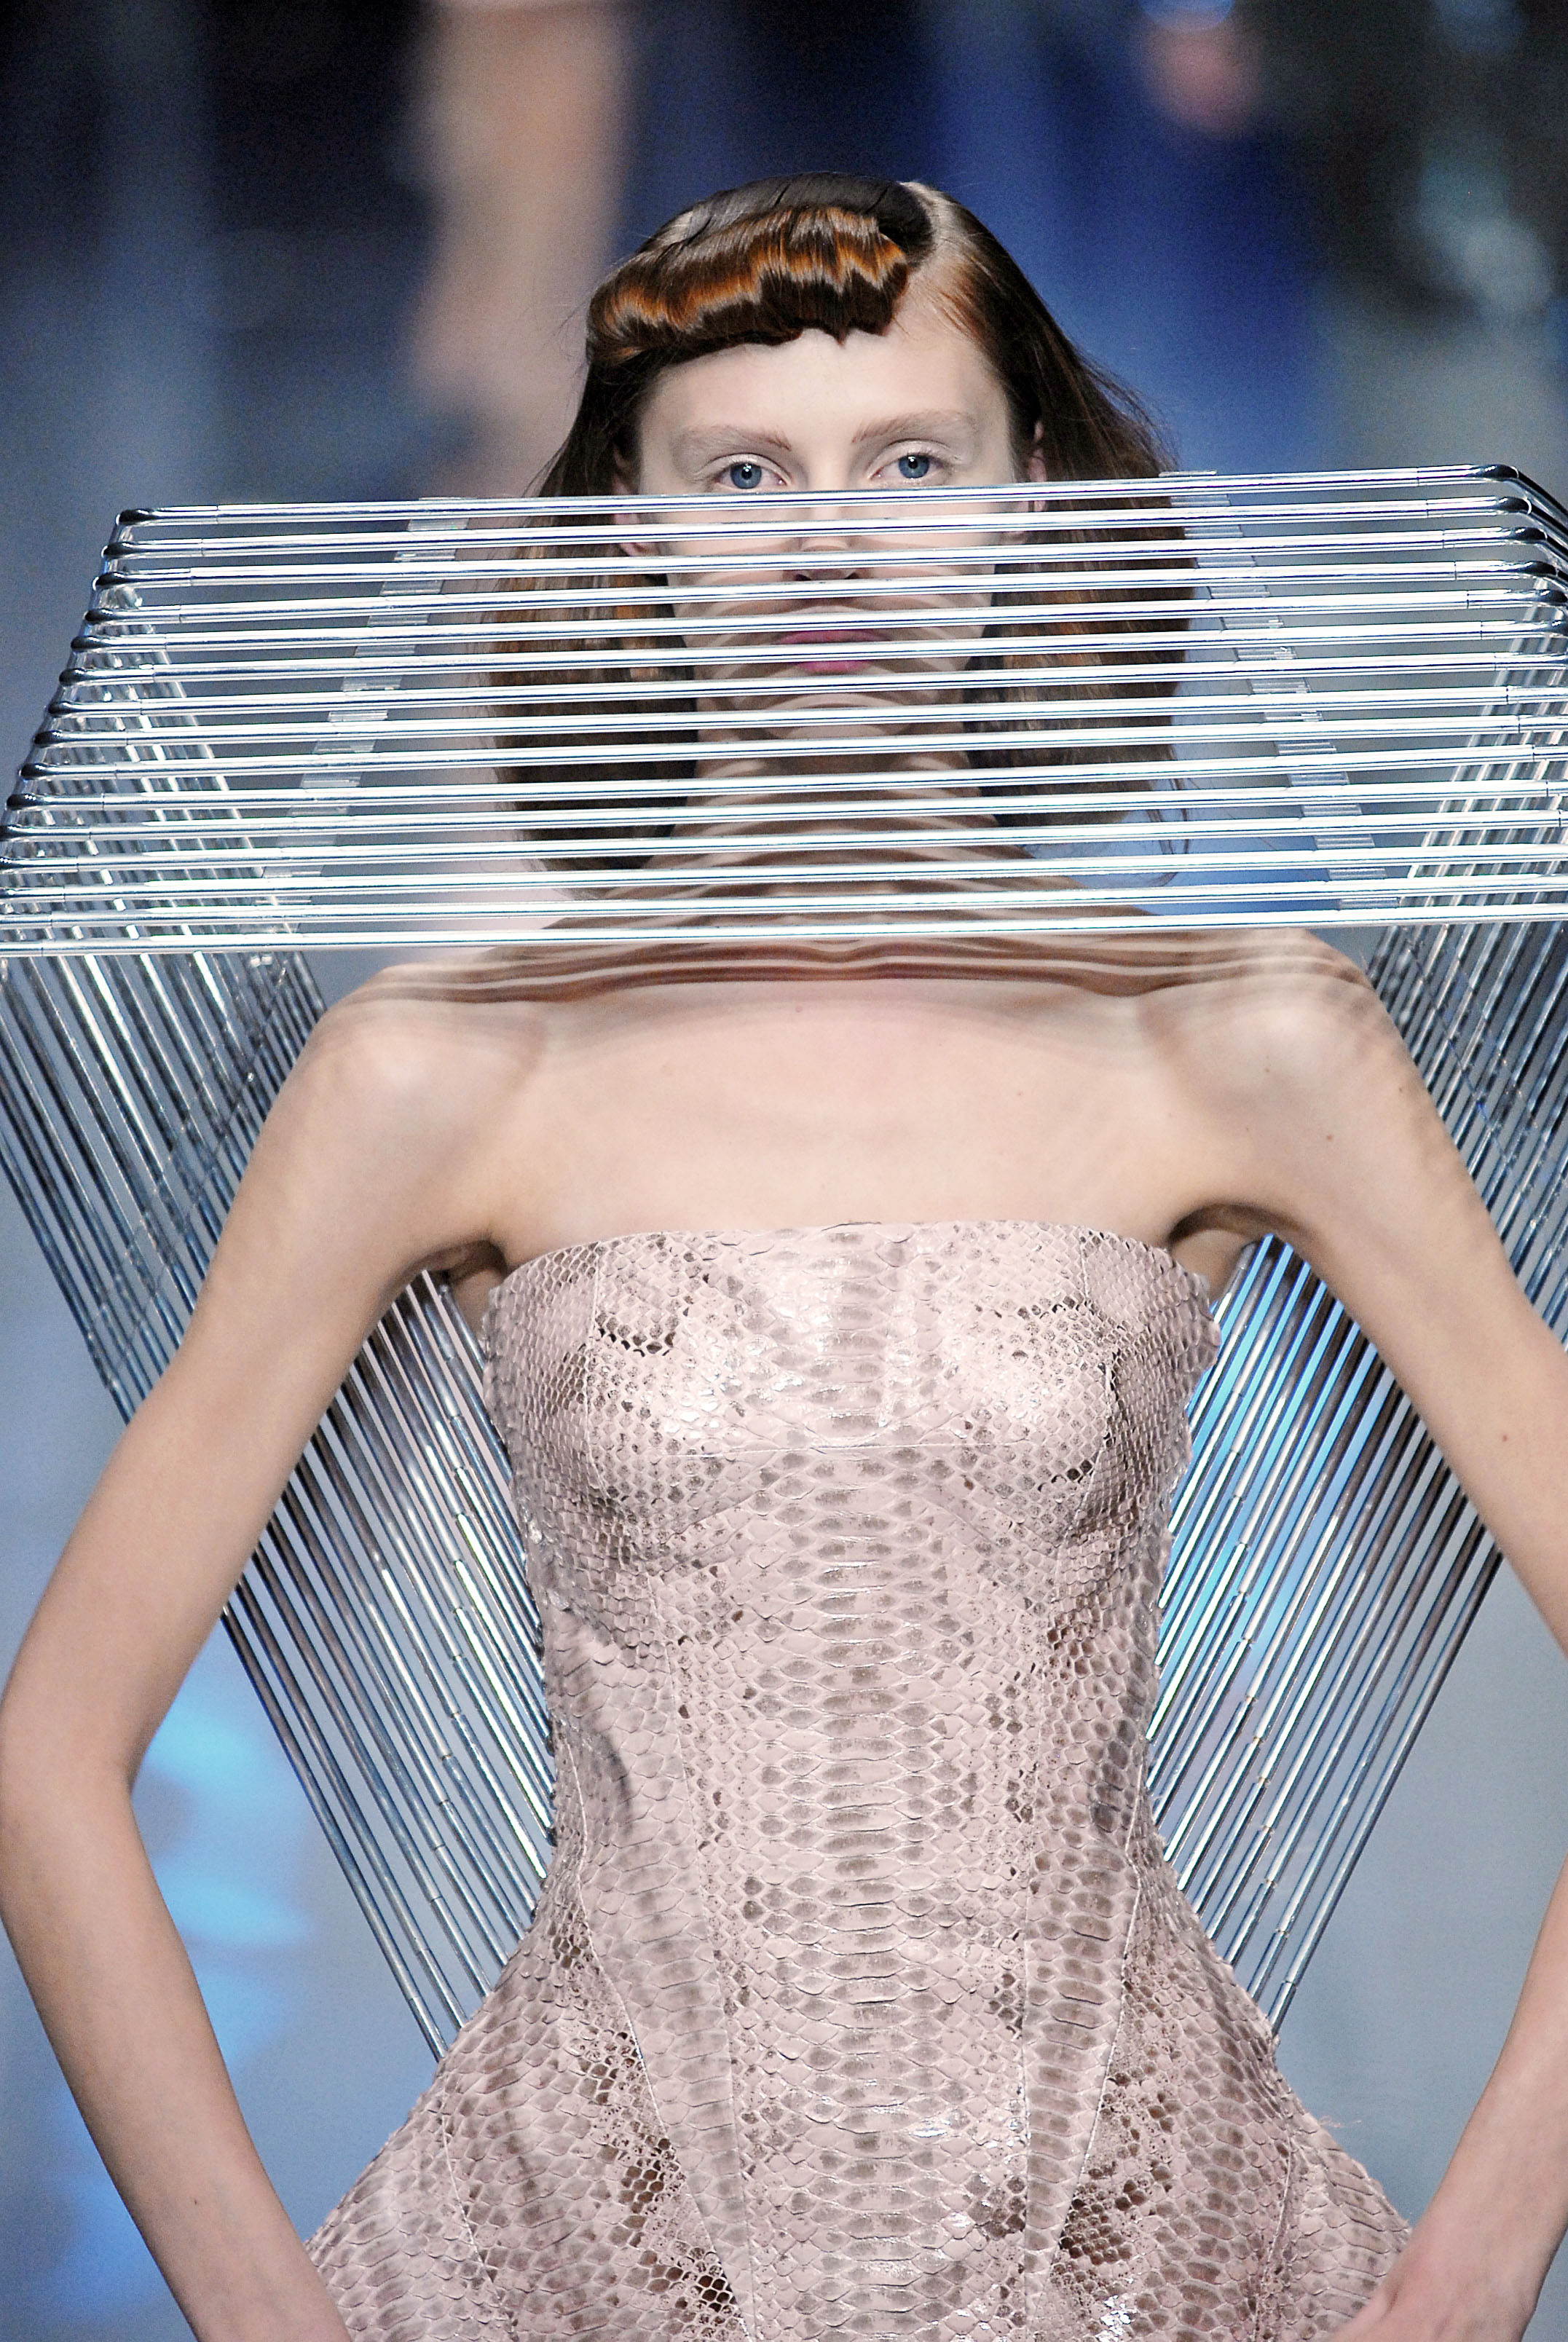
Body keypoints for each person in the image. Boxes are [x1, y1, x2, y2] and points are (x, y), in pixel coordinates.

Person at [1, 173, 1567, 2342]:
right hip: (570, 2262)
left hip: (1155, 2262)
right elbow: (51, 1752)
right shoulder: (443, 1076)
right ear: (625, 531)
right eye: (739, 476)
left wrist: (1463, 2292)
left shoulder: (1242, 1044)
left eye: (910, 466)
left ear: (1036, 501)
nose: (831, 547)